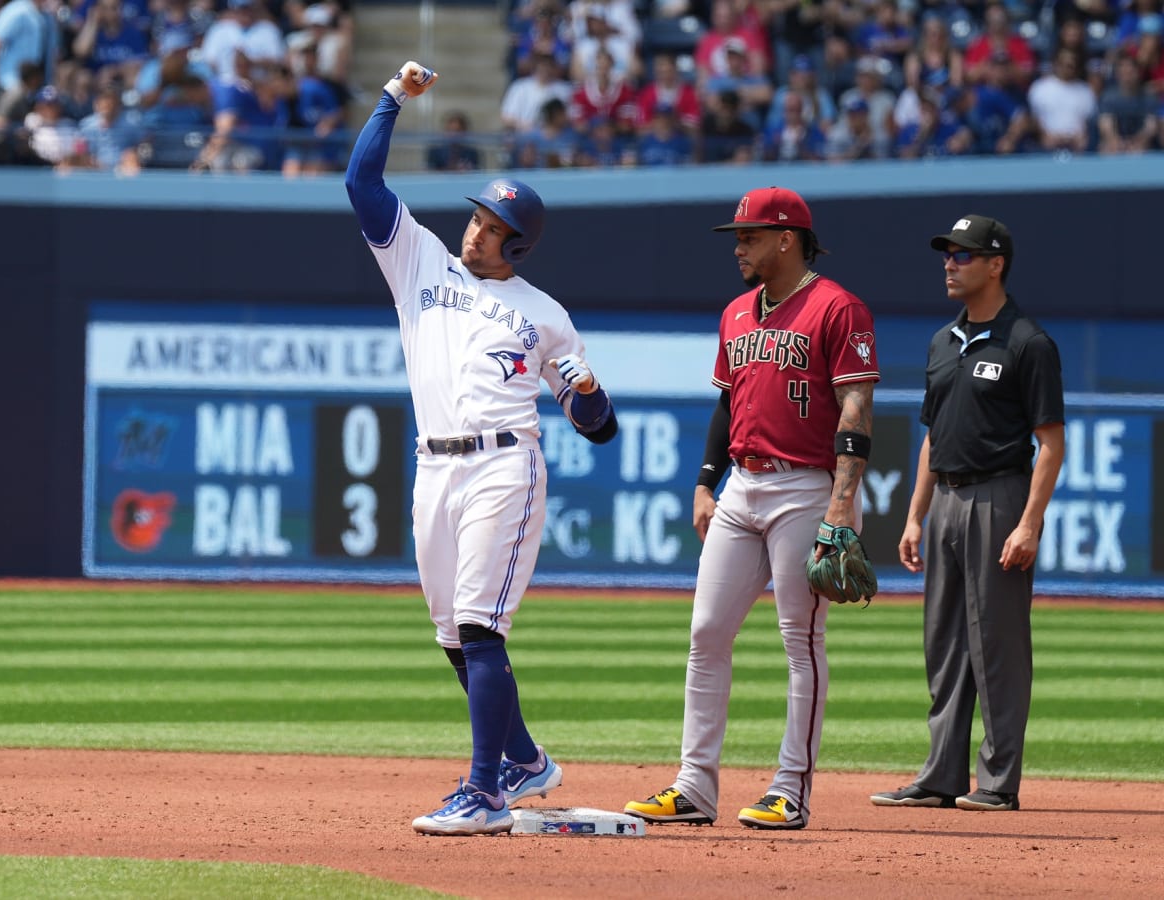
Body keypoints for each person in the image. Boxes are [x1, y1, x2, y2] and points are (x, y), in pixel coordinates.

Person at [345, 60, 618, 836]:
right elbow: (362, 188)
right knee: (450, 637)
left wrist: (590, 395)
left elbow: (597, 428)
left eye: (496, 228)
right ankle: (526, 760)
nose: (478, 231)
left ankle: (487, 793)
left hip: (505, 463)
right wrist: (393, 99)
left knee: (479, 627)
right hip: (435, 465)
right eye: (477, 218)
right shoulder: (421, 261)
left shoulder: (544, 316)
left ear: (520, 245)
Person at [624, 186, 879, 830]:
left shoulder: (837, 308)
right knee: (706, 632)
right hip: (742, 484)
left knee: (801, 638)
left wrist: (842, 506)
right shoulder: (737, 312)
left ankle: (790, 788)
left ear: (786, 239)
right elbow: (726, 404)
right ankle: (694, 787)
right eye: (738, 236)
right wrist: (707, 482)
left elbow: (856, 409)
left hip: (806, 487)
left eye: (750, 236)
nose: (738, 246)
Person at [871, 214, 1065, 813]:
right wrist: (913, 514)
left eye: (963, 255)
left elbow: (1052, 442)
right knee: (944, 643)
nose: (950, 264)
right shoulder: (942, 341)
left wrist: (1029, 522)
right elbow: (933, 436)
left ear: (995, 263)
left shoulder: (1028, 342)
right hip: (948, 500)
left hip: (999, 496)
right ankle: (940, 776)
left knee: (998, 644)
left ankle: (999, 782)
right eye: (948, 254)